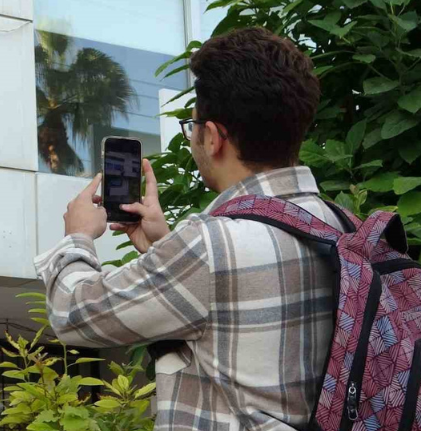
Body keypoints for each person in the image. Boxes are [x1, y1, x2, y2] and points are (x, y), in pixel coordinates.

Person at [35, 27, 335, 430]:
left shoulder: (210, 246)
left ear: (211, 137)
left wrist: (78, 237)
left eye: (191, 125)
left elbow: (73, 315)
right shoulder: (338, 225)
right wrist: (164, 245)